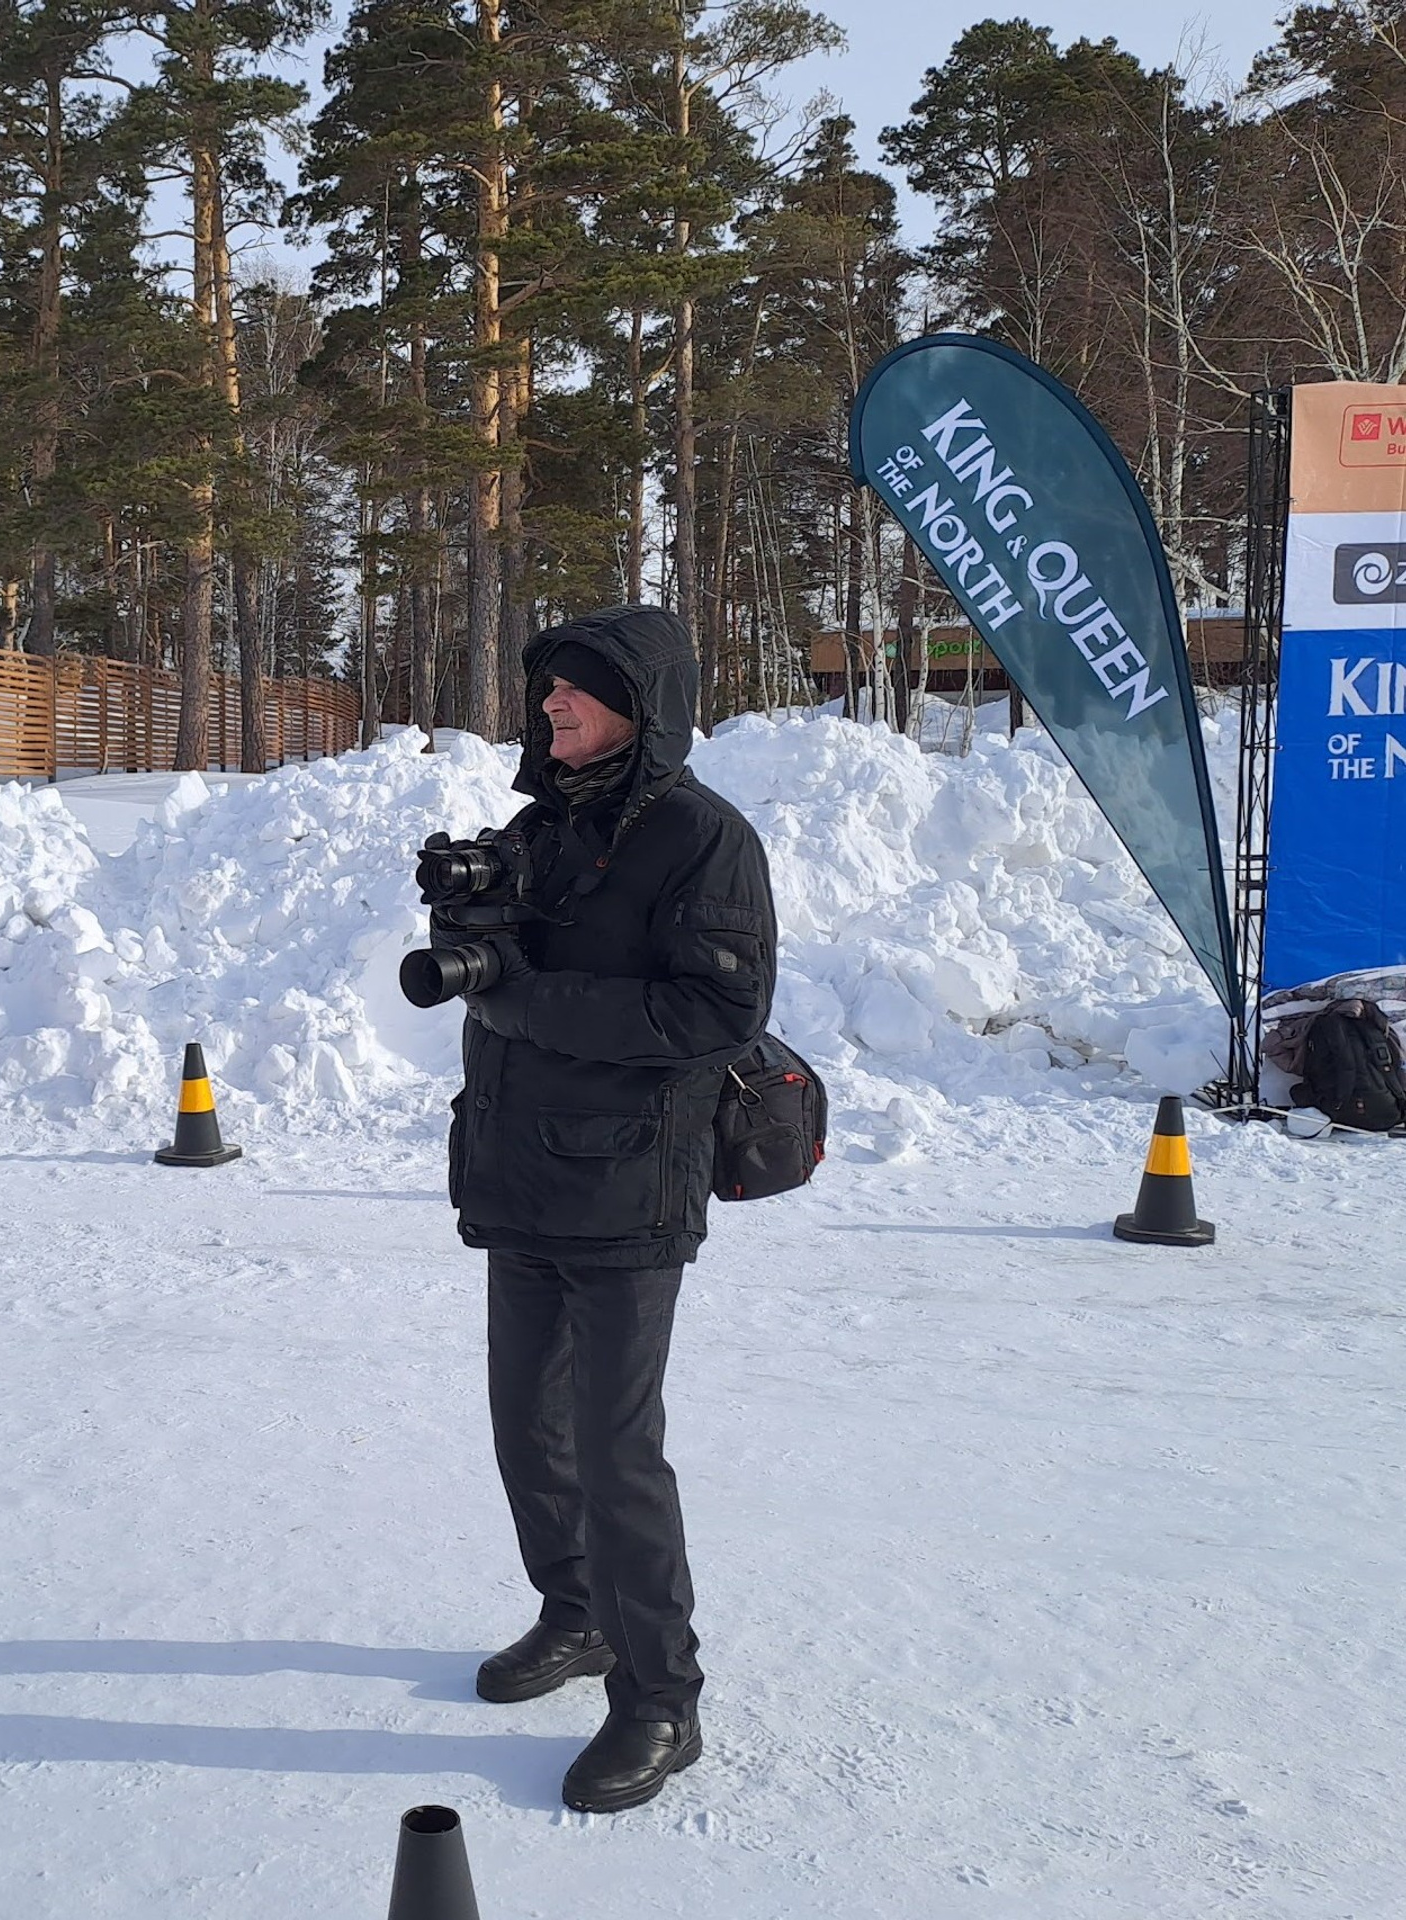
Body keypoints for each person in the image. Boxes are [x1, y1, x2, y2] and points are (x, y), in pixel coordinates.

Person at [445, 603, 778, 1813]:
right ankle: (577, 1614)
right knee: (525, 1430)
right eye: (547, 694)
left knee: (615, 1450)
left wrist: (523, 996)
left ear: (639, 706)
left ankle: (659, 1700)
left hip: (630, 1190)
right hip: (521, 1175)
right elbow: (502, 974)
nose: (550, 708)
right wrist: (473, 926)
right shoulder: (544, 824)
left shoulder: (703, 840)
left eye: (574, 693)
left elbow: (710, 1018)